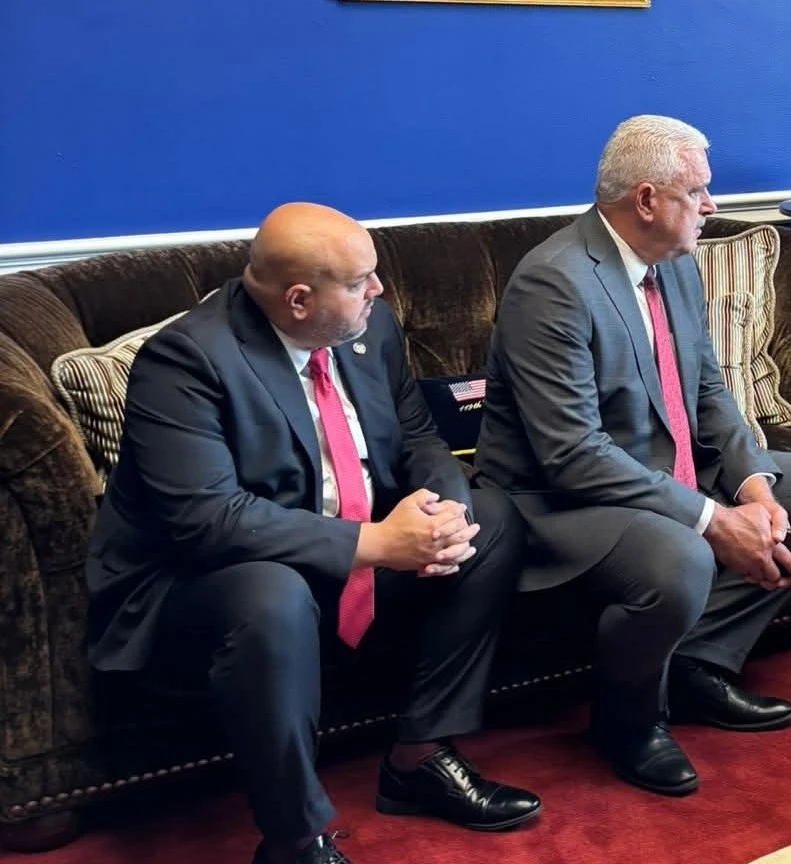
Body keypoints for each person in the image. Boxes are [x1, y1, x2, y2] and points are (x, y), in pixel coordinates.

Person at [86, 203, 542, 864]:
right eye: (362, 281)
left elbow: (415, 433)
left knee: (491, 519)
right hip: (196, 584)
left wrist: (446, 509)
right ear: (299, 300)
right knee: (271, 595)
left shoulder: (369, 328)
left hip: (334, 553)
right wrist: (381, 544)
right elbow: (209, 521)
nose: (380, 291)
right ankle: (296, 840)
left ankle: (420, 755)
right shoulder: (186, 360)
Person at [474, 114, 791, 797]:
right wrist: (714, 520)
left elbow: (708, 386)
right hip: (559, 502)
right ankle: (627, 724)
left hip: (665, 471)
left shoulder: (675, 264)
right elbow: (571, 455)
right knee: (683, 552)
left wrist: (753, 485)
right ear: (648, 200)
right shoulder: (555, 283)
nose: (712, 207)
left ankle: (696, 663)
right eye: (698, 193)